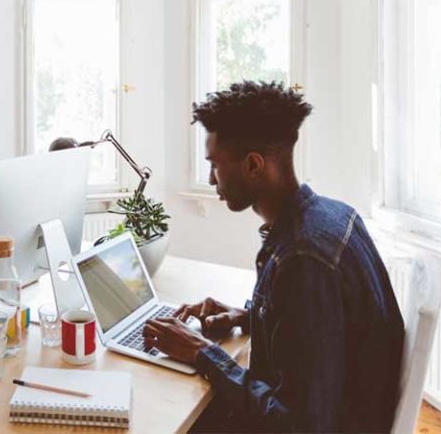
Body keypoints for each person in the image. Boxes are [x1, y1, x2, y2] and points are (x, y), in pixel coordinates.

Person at [143, 81, 404, 432]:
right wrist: (248, 317)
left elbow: (299, 425)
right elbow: (326, 332)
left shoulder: (303, 258)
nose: (211, 179)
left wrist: (202, 353)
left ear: (253, 165)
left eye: (215, 165)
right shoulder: (334, 215)